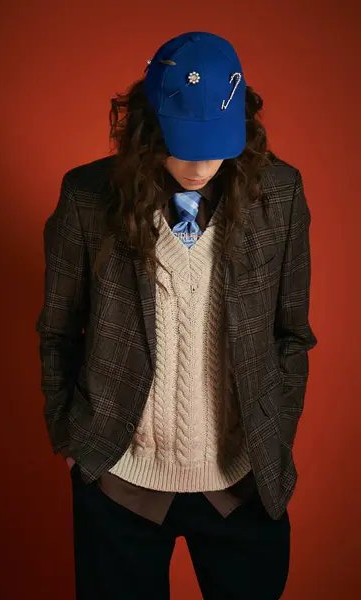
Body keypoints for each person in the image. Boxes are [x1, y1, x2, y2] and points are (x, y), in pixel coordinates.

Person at [36, 31, 317, 600]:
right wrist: (75, 439)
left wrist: (275, 432)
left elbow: (292, 334)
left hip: (242, 481)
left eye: (217, 144)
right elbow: (58, 331)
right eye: (185, 143)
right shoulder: (87, 198)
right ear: (148, 127)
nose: (201, 164)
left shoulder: (280, 196)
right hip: (121, 483)